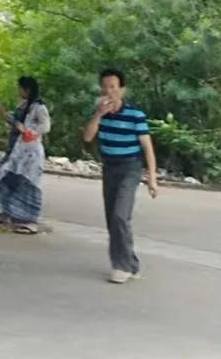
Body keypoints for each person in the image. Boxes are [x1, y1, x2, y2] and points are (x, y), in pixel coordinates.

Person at [82, 67, 159, 283]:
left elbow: (147, 148)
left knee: (120, 215)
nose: (109, 91)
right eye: (105, 87)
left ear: (122, 90)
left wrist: (152, 178)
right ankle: (131, 264)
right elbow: (88, 137)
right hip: (109, 167)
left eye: (113, 87)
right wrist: (98, 114)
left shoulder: (136, 115)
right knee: (113, 219)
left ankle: (121, 266)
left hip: (130, 168)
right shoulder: (101, 114)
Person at [0, 75, 50, 233]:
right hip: (16, 150)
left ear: (27, 89)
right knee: (7, 179)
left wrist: (30, 131)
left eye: (21, 88)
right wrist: (4, 114)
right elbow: (16, 123)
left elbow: (46, 126)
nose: (19, 91)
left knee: (28, 184)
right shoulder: (24, 106)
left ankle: (30, 221)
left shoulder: (39, 107)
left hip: (31, 153)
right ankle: (7, 213)